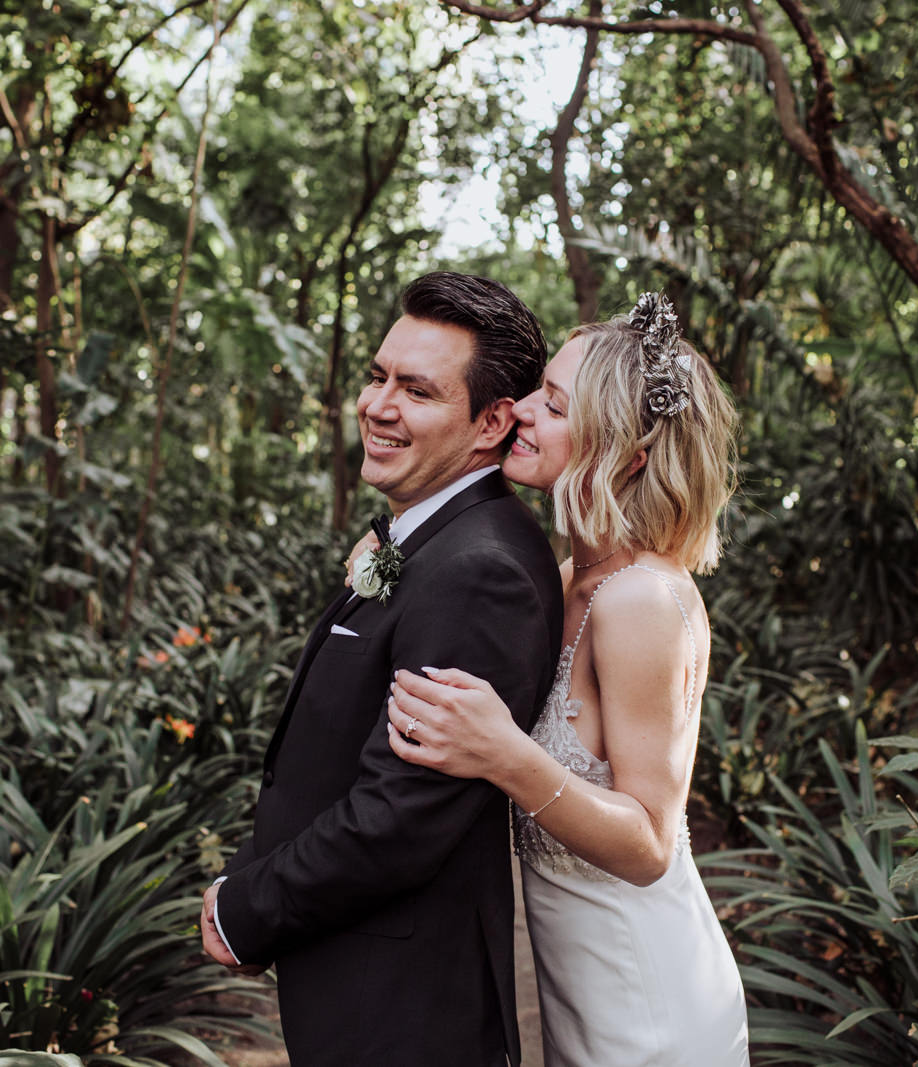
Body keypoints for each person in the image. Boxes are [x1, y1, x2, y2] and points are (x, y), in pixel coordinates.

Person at [201, 272, 565, 1066]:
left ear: (491, 421)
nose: (377, 404)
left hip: (402, 1006)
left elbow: (402, 814)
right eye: (377, 376)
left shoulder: (482, 570)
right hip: (357, 970)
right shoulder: (432, 539)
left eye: (418, 390)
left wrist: (246, 905)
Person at [381, 294, 752, 1066]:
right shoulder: (567, 577)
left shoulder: (642, 601)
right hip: (578, 995)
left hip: (648, 1005)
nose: (518, 411)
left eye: (553, 404)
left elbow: (652, 840)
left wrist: (503, 753)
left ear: (628, 451)